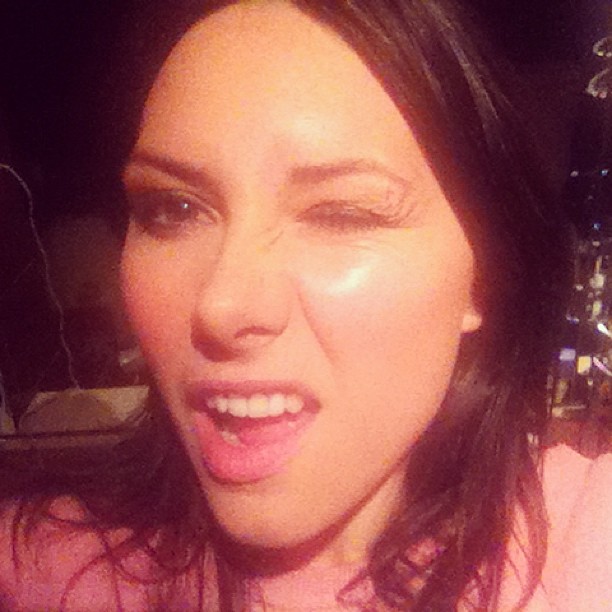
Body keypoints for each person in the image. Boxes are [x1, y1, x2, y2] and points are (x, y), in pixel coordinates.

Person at [1, 1, 611, 609]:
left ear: (483, 276)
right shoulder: (38, 568)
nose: (220, 306)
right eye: (174, 208)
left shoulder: (584, 536)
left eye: (342, 213)